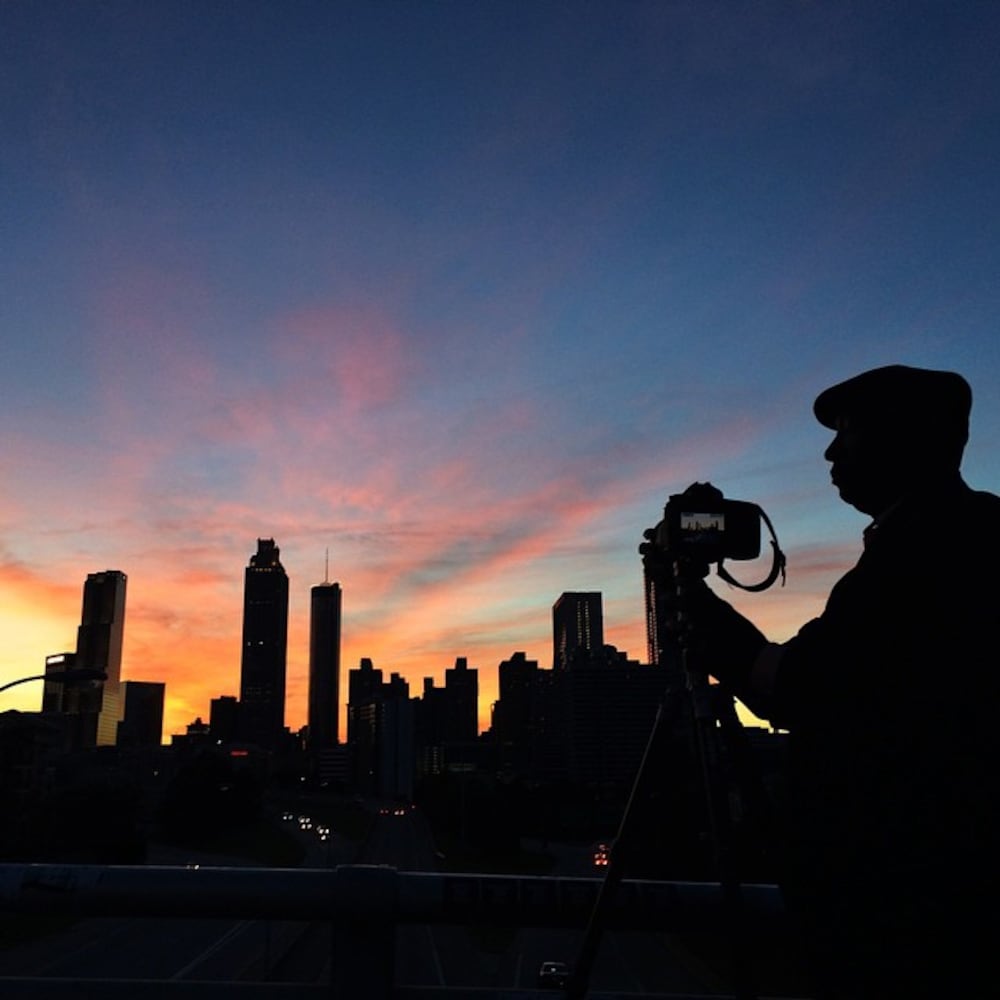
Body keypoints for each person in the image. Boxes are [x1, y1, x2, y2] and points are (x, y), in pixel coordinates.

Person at [681, 365, 999, 998]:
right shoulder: (959, 530)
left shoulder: (926, 548)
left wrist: (707, 623)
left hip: (911, 906)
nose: (830, 451)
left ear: (902, 438)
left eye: (847, 433)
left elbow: (806, 687)